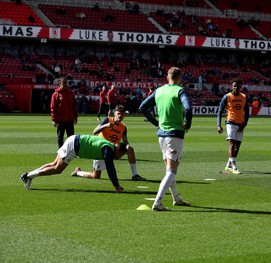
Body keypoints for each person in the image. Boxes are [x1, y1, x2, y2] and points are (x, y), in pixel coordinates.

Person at [139, 67, 192, 211]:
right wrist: (188, 124)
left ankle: (177, 199)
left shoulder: (159, 90)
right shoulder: (180, 90)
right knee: (171, 171)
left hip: (161, 135)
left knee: (170, 169)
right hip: (174, 134)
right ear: (180, 78)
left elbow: (142, 107)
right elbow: (187, 108)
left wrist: (156, 123)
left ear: (167, 77)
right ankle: (157, 203)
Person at [20, 134, 128, 193]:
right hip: (74, 146)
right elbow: (110, 168)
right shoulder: (108, 150)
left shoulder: (109, 146)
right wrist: (117, 186)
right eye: (121, 155)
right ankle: (28, 176)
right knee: (58, 169)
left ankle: (29, 175)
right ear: (118, 150)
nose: (120, 157)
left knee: (54, 164)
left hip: (74, 139)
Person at [72, 105, 146, 181]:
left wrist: (125, 149)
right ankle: (78, 172)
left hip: (112, 150)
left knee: (130, 148)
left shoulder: (123, 127)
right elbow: (94, 132)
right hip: (100, 150)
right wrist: (105, 126)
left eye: (122, 114)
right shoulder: (107, 120)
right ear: (114, 113)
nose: (120, 116)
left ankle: (135, 174)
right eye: (118, 113)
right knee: (95, 176)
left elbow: (125, 141)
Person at [217, 78, 249, 174]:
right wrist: (218, 125)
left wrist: (245, 123)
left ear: (240, 87)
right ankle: (234, 167)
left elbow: (247, 112)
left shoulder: (244, 97)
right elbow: (220, 111)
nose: (236, 87)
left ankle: (229, 165)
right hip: (230, 123)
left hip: (240, 124)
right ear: (231, 87)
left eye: (238, 86)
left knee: (237, 147)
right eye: (234, 86)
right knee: (231, 144)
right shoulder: (227, 97)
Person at [50, 77, 78, 148]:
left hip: (69, 119)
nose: (66, 84)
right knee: (60, 137)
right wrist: (53, 120)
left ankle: (71, 151)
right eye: (64, 83)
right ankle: (61, 151)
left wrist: (75, 117)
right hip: (60, 120)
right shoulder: (55, 94)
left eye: (66, 83)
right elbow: (53, 108)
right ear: (59, 84)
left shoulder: (70, 93)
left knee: (71, 137)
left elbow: (74, 106)